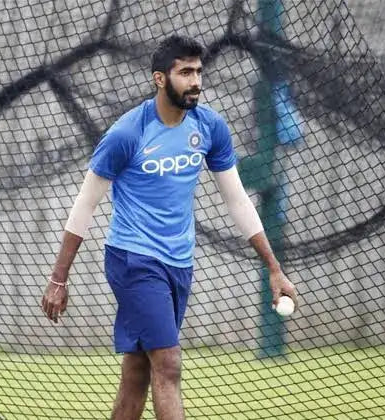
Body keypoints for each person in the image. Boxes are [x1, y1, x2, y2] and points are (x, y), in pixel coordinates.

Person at [41, 34, 298, 420]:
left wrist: (274, 268)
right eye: (185, 73)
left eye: (198, 72)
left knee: (137, 371)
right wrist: (59, 278)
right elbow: (85, 204)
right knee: (168, 363)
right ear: (160, 79)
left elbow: (237, 200)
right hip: (133, 260)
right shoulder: (127, 133)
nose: (196, 82)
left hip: (179, 263)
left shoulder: (209, 127)